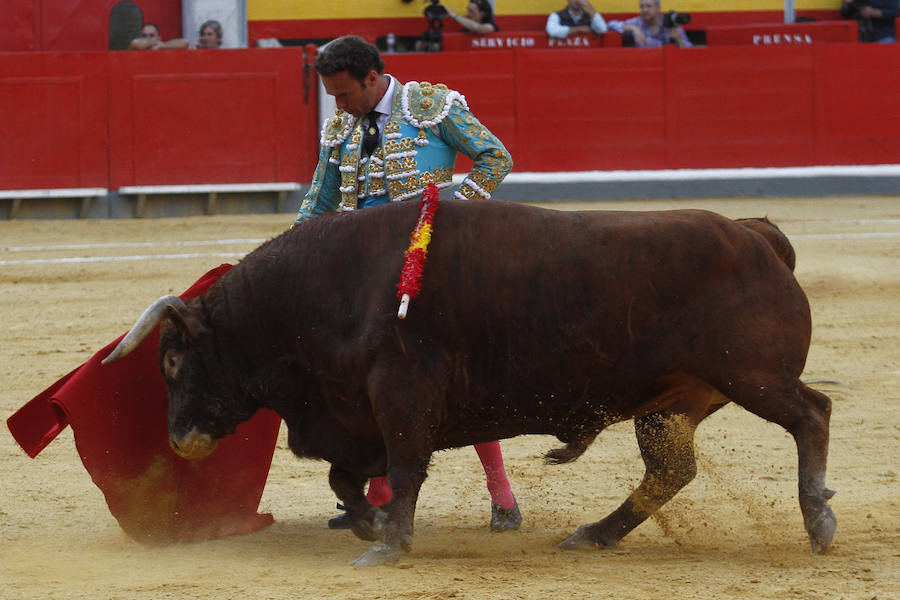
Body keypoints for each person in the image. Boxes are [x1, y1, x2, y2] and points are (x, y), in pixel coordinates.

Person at [296, 35, 520, 533]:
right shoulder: (340, 129)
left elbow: (494, 157)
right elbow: (318, 204)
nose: (339, 104)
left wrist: (455, 214)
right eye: (333, 95)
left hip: (431, 265)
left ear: (372, 79)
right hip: (363, 274)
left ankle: (502, 496)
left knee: (456, 380)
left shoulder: (432, 108)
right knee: (368, 380)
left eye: (345, 93)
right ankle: (378, 495)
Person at [606, 0, 692, 48]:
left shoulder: (670, 23)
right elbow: (610, 25)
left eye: (648, 6)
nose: (644, 10)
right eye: (642, 7)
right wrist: (633, 29)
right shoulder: (638, 23)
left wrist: (678, 39)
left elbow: (689, 52)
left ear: (658, 8)